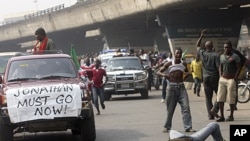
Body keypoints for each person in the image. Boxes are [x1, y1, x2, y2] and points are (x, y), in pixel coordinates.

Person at [157, 48, 196, 133]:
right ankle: (167, 127)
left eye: (180, 54)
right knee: (170, 109)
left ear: (181, 55)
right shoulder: (169, 63)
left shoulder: (184, 64)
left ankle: (188, 127)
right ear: (174, 54)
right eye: (177, 53)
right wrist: (165, 75)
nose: (178, 55)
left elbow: (186, 74)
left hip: (181, 88)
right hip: (172, 88)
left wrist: (187, 76)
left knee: (186, 107)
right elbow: (158, 72)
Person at [196, 29, 220, 120]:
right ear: (212, 46)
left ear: (205, 47)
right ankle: (215, 108)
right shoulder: (216, 55)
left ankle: (210, 115)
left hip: (205, 78)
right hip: (215, 77)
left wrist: (201, 36)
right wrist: (221, 76)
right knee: (220, 95)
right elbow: (218, 67)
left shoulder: (202, 53)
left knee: (208, 97)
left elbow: (197, 45)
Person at [215, 41, 241, 122]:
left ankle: (231, 115)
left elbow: (239, 67)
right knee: (220, 98)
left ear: (231, 48)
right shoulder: (222, 56)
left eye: (227, 47)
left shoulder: (235, 57)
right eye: (225, 47)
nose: (226, 49)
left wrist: (235, 78)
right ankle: (222, 116)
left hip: (231, 79)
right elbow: (220, 66)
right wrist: (220, 75)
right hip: (223, 79)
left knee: (231, 98)